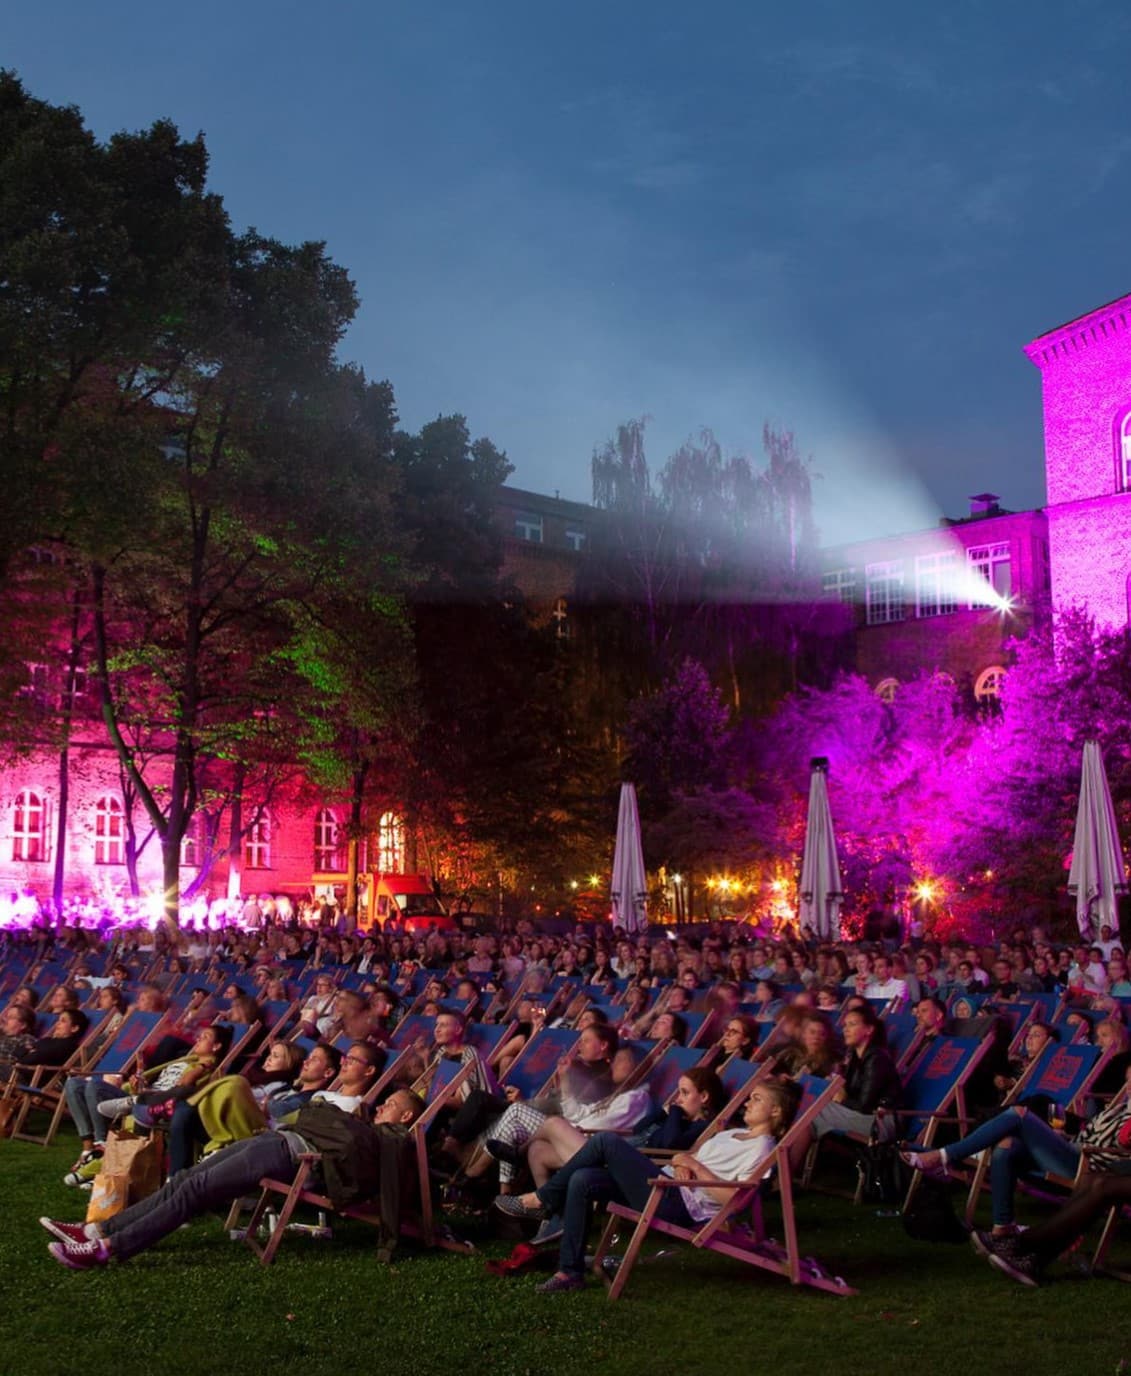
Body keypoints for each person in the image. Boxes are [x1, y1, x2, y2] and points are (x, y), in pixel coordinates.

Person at [43, 1087, 426, 1269]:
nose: (382, 1107)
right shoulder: (371, 1129)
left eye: (391, 1104)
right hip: (277, 1142)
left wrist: (389, 1244)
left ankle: (108, 1247)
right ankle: (96, 1230)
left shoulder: (393, 1140)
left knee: (193, 1190)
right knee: (185, 1178)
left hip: (290, 1156)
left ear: (406, 1116)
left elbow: (387, 1189)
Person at [495, 1078, 802, 1292]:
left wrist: (694, 1166)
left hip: (678, 1206)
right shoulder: (729, 1134)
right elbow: (686, 1155)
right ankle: (570, 1272)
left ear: (776, 1111)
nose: (748, 1102)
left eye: (758, 1099)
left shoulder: (762, 1148)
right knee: (582, 1179)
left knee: (605, 1142)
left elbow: (733, 1200)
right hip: (667, 1184)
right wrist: (685, 1161)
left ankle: (542, 1200)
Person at [902, 1093, 1131, 1238]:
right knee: (1007, 1144)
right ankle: (1003, 1226)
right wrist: (1062, 1137)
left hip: (1089, 1169)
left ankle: (943, 1156)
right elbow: (1085, 1134)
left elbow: (1124, 1141)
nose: (1129, 1086)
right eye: (1128, 1080)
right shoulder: (1116, 1109)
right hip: (1071, 1150)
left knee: (1020, 1113)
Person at [812, 1005, 900, 1141]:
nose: (845, 1030)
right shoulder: (855, 1056)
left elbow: (865, 1105)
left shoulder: (877, 1058)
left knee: (813, 1112)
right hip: (858, 1115)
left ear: (869, 1030)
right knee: (811, 1106)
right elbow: (848, 1092)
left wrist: (842, 1099)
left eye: (852, 1024)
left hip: (879, 1121)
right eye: (845, 1025)